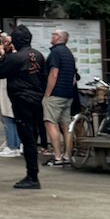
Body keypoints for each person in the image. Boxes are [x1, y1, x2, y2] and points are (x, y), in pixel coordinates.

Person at [0, 25, 47, 189]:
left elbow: (0, 72)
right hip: (36, 99)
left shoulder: (15, 58)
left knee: (27, 138)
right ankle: (32, 174)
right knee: (33, 136)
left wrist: (3, 55)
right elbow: (43, 77)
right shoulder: (38, 55)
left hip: (21, 99)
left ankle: (32, 176)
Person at [43, 28, 78, 167]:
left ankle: (57, 156)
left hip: (56, 94)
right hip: (68, 94)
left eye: (54, 34)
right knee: (65, 125)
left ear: (58, 37)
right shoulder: (68, 53)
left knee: (50, 123)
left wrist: (47, 94)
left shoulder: (55, 53)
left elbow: (54, 74)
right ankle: (67, 155)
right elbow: (74, 77)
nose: (51, 36)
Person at [0, 35, 21, 158]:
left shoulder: (15, 56)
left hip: (12, 91)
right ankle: (11, 142)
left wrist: (2, 53)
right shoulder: (5, 56)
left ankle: (13, 146)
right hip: (4, 91)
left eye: (7, 42)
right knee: (6, 118)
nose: (4, 45)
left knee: (10, 118)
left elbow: (7, 65)